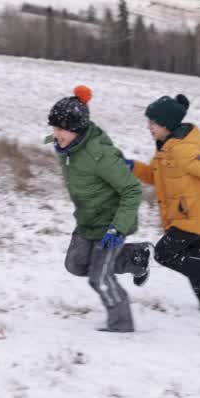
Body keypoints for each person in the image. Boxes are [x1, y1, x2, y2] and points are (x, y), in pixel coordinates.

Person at [124, 94, 200, 315]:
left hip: (192, 218)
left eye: (153, 122)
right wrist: (132, 166)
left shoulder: (183, 151)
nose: (148, 126)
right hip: (189, 217)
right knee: (189, 260)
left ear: (166, 124)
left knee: (164, 254)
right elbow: (153, 176)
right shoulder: (166, 149)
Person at [46, 85, 151, 333]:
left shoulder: (99, 155)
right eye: (54, 128)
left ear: (77, 130)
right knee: (74, 264)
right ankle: (137, 257)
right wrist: (52, 136)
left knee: (100, 278)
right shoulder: (67, 145)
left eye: (60, 129)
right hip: (87, 220)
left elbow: (132, 190)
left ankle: (121, 324)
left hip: (111, 223)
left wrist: (118, 228)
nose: (55, 134)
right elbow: (53, 138)